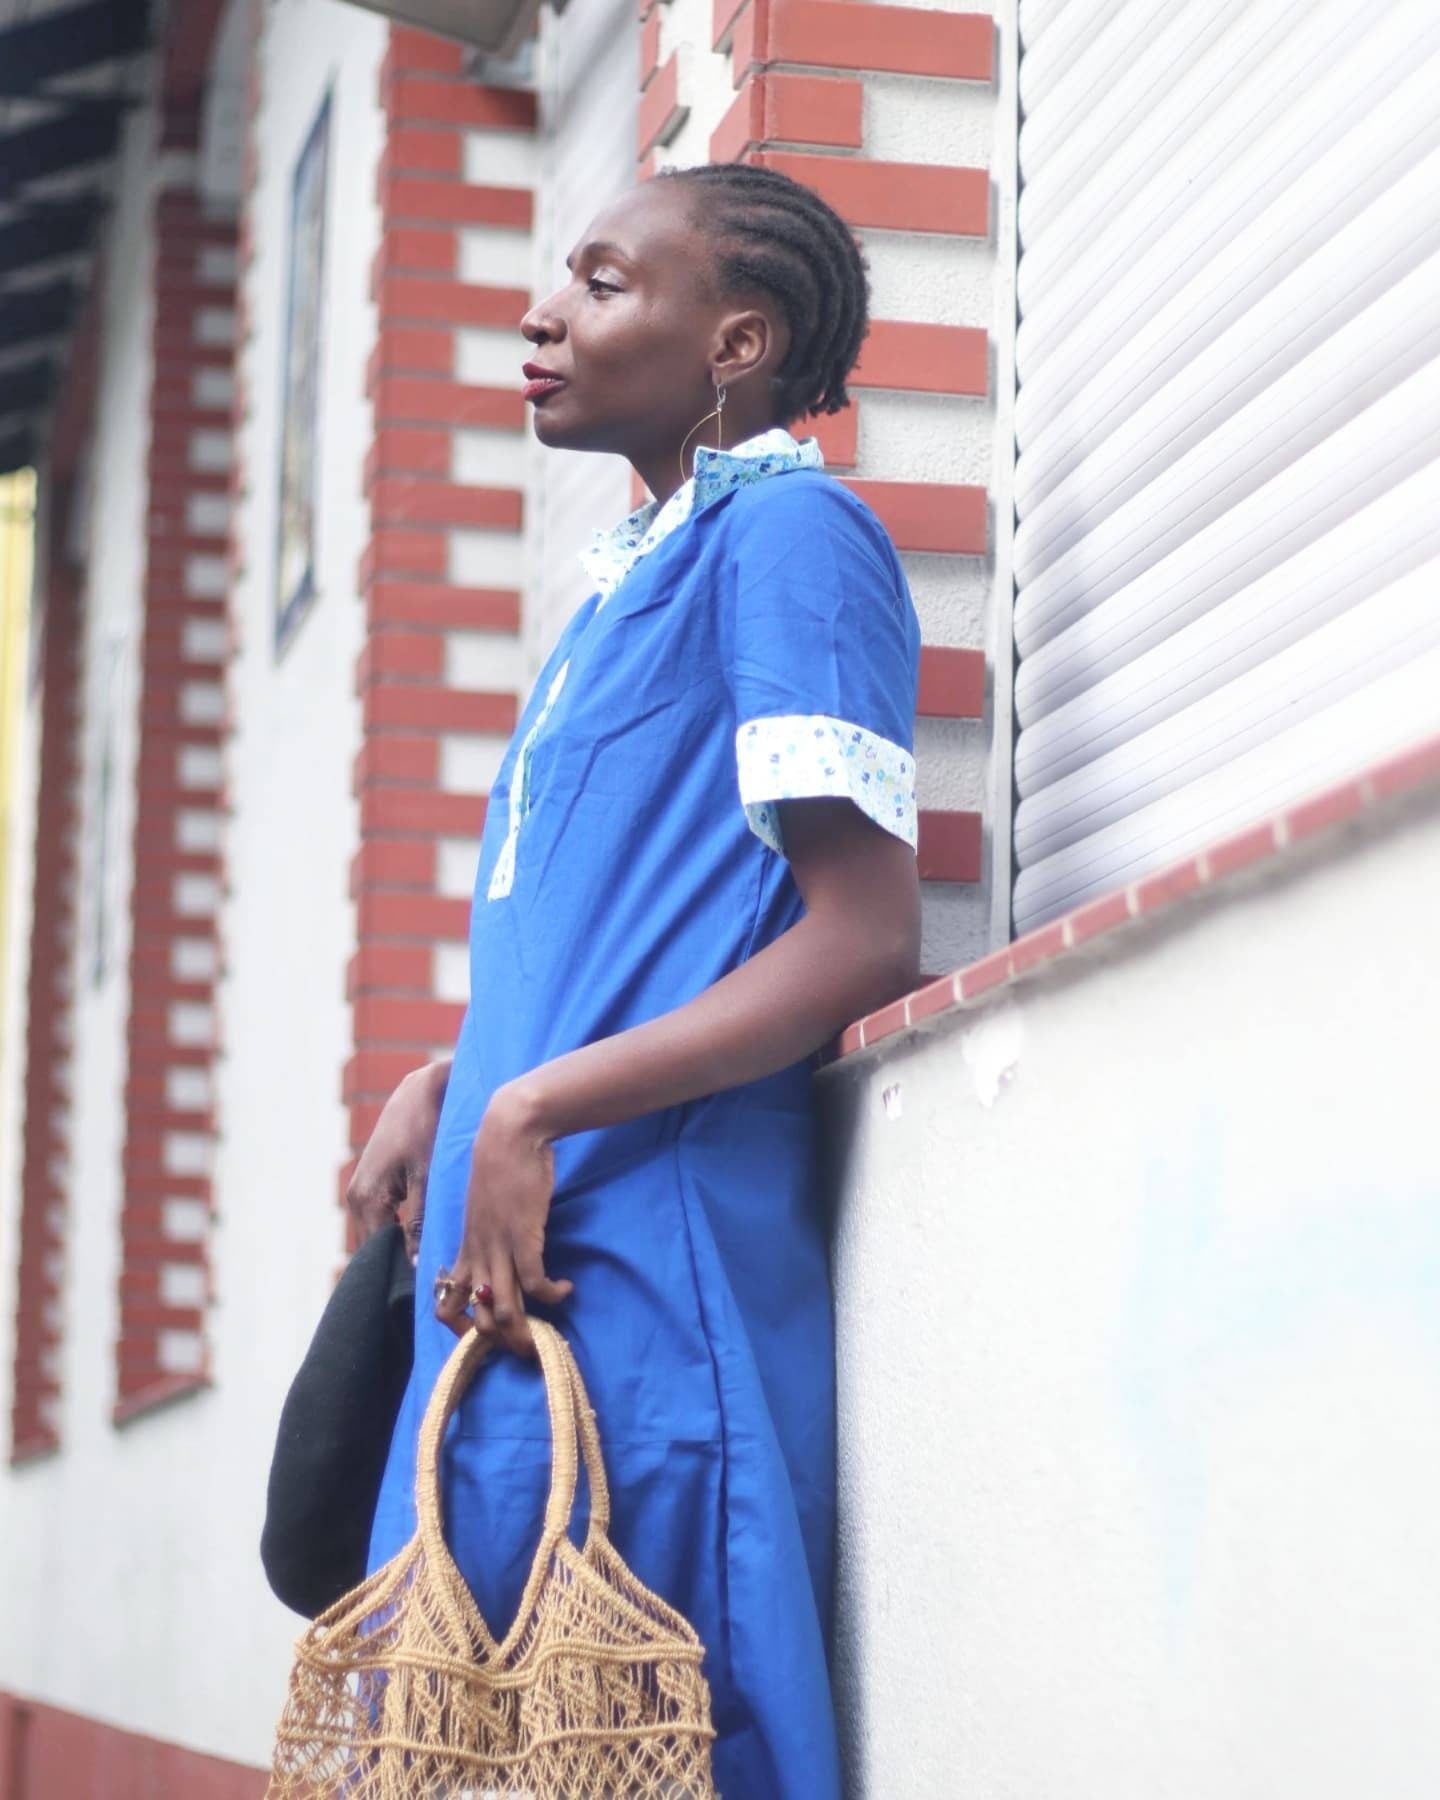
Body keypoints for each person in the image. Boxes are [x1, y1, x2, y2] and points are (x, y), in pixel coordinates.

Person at [348, 162, 922, 1798]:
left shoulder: (794, 534)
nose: (541, 314)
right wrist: (456, 1082)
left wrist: (535, 1104)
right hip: (512, 1299)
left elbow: (860, 934)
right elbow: (626, 928)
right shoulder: (620, 589)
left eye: (601, 284)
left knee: (633, 1748)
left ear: (737, 342)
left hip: (646, 1303)